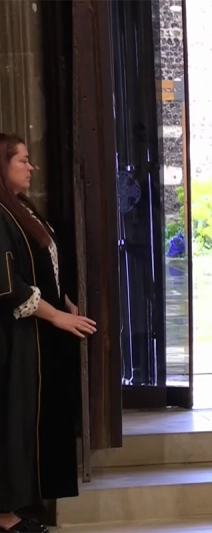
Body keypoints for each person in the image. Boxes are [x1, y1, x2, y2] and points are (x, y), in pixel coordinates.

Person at [0, 134, 97, 532]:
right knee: (11, 419)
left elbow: (42, 263)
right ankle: (4, 514)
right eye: (22, 160)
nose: (31, 167)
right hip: (13, 339)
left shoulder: (21, 209)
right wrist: (54, 315)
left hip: (35, 338)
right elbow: (8, 283)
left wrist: (64, 301)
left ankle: (20, 504)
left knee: (28, 419)